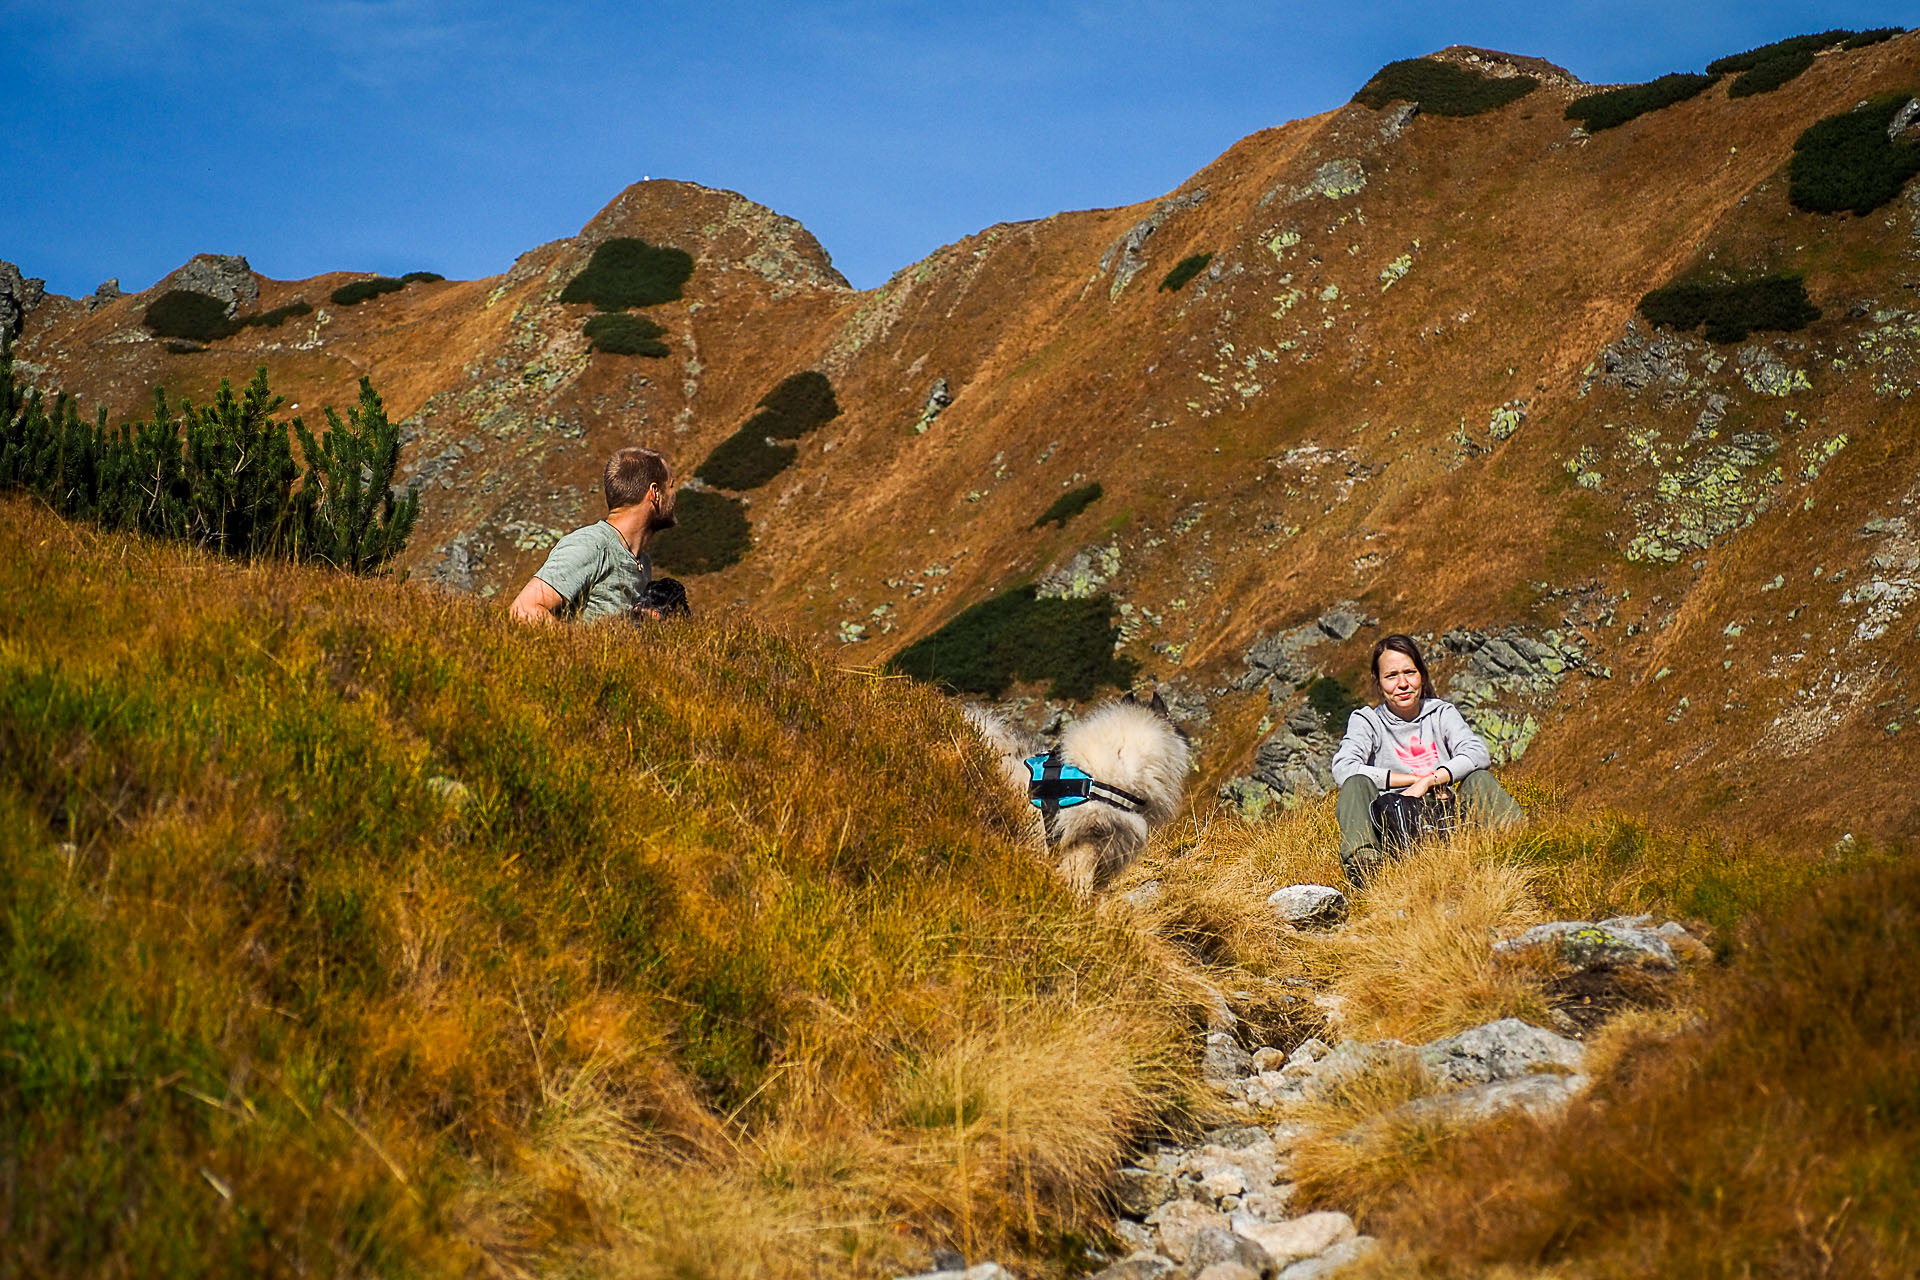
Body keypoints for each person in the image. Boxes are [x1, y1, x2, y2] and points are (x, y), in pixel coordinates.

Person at [1329, 633, 1525, 885]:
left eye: (1409, 672)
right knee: (1356, 783)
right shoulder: (1367, 720)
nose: (1402, 683)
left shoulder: (1441, 712)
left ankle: (1520, 844)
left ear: (1421, 675)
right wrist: (1410, 781)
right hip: (1393, 821)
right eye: (1391, 676)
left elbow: (1477, 753)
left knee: (1479, 779)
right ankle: (1366, 868)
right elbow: (1343, 768)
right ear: (1378, 684)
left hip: (1447, 812)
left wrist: (1429, 781)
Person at [509, 447, 676, 624]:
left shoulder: (643, 561)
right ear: (655, 493)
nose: (674, 496)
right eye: (671, 487)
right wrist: (583, 649)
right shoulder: (592, 544)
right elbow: (523, 610)